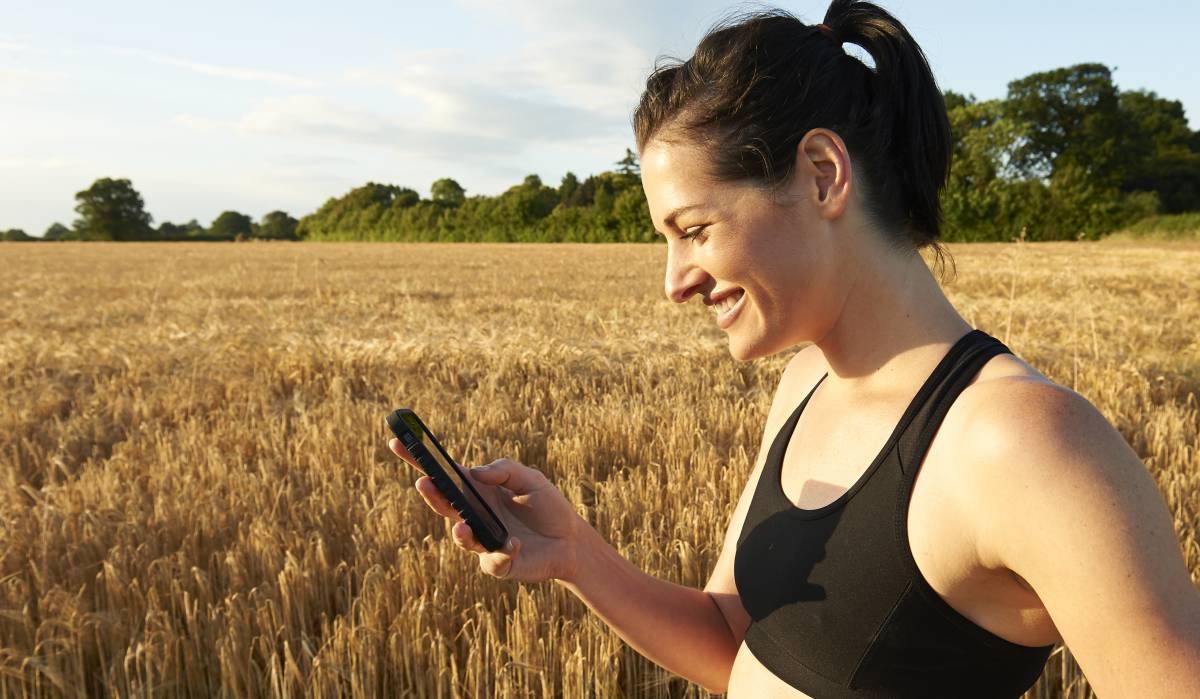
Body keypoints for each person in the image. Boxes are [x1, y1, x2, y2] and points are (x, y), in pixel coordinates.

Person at [388, 1, 1200, 696]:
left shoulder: (1021, 442)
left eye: (694, 229)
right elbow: (734, 643)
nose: (674, 280)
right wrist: (575, 554)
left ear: (821, 173)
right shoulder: (808, 382)